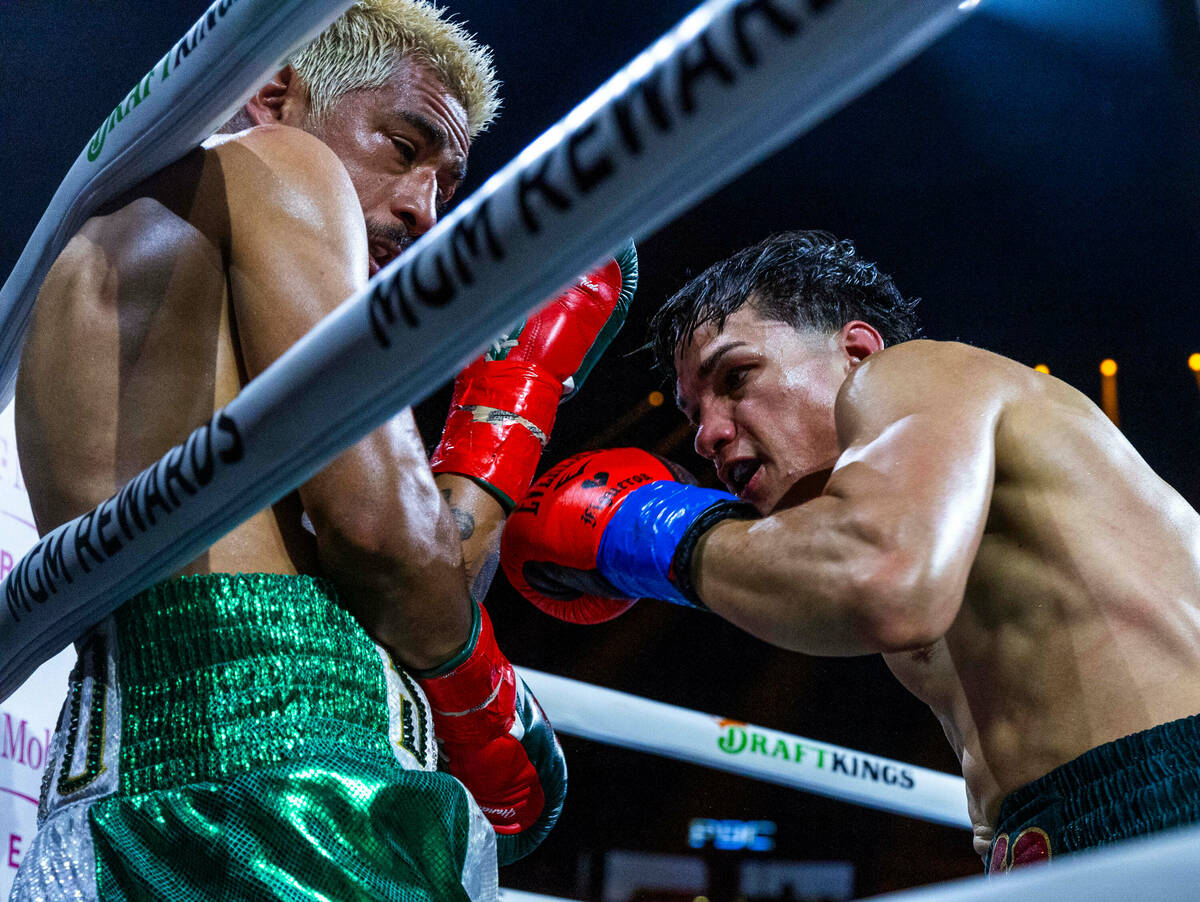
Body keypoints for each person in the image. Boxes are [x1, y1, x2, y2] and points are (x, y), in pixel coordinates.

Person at [11, 1, 635, 898]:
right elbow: (391, 545)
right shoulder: (280, 165)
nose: (425, 208)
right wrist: (510, 403)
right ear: (273, 93)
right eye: (404, 145)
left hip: (112, 794)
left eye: (447, 182)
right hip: (286, 785)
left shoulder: (120, 249)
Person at [499, 229, 1200, 873]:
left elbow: (882, 581)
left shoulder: (917, 373)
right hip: (1051, 836)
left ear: (857, 351)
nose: (709, 434)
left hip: (1171, 790)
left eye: (736, 377)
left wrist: (641, 527)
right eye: (692, 414)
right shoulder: (909, 531)